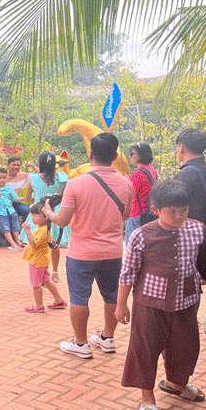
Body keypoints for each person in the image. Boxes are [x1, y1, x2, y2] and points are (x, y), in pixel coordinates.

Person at [116, 181, 206, 410]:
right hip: (150, 302)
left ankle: (176, 384)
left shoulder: (197, 230)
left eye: (183, 210)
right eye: (172, 211)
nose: (179, 216)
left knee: (186, 347)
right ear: (156, 210)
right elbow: (128, 272)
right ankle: (147, 397)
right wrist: (121, 304)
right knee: (145, 349)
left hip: (186, 300)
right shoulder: (141, 235)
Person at [42, 132, 133, 359]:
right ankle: (108, 338)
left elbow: (62, 220)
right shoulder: (126, 183)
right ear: (114, 157)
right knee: (111, 295)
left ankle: (81, 344)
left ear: (90, 154)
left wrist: (48, 212)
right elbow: (125, 216)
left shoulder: (76, 184)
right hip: (112, 251)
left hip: (81, 253)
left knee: (79, 298)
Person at [20, 151, 70, 267]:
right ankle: (55, 270)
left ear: (40, 163)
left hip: (38, 212)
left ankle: (40, 269)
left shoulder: (33, 179)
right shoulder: (63, 178)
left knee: (37, 243)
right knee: (54, 244)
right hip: (56, 212)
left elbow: (27, 199)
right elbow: (63, 196)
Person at [21, 203, 66, 312]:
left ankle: (39, 306)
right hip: (41, 260)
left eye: (36, 215)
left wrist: (27, 231)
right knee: (46, 280)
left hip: (37, 262)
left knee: (36, 284)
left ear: (46, 217)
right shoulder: (43, 227)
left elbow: (33, 243)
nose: (33, 218)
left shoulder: (43, 230)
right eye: (32, 215)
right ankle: (59, 300)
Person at [174, 129, 206, 227]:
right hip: (205, 227)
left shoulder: (185, 174)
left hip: (187, 229)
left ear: (181, 148)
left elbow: (174, 206)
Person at [124, 141, 158, 239]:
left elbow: (129, 194)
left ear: (141, 155)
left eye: (132, 154)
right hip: (148, 212)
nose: (130, 156)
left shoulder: (138, 174)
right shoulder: (151, 169)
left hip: (136, 214)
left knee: (132, 243)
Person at [0, 167, 24, 249]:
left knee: (16, 227)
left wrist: (26, 198)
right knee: (5, 228)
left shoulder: (9, 189)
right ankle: (12, 243)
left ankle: (18, 242)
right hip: (1, 212)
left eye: (4, 178)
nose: (2, 180)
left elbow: (15, 198)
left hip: (11, 211)